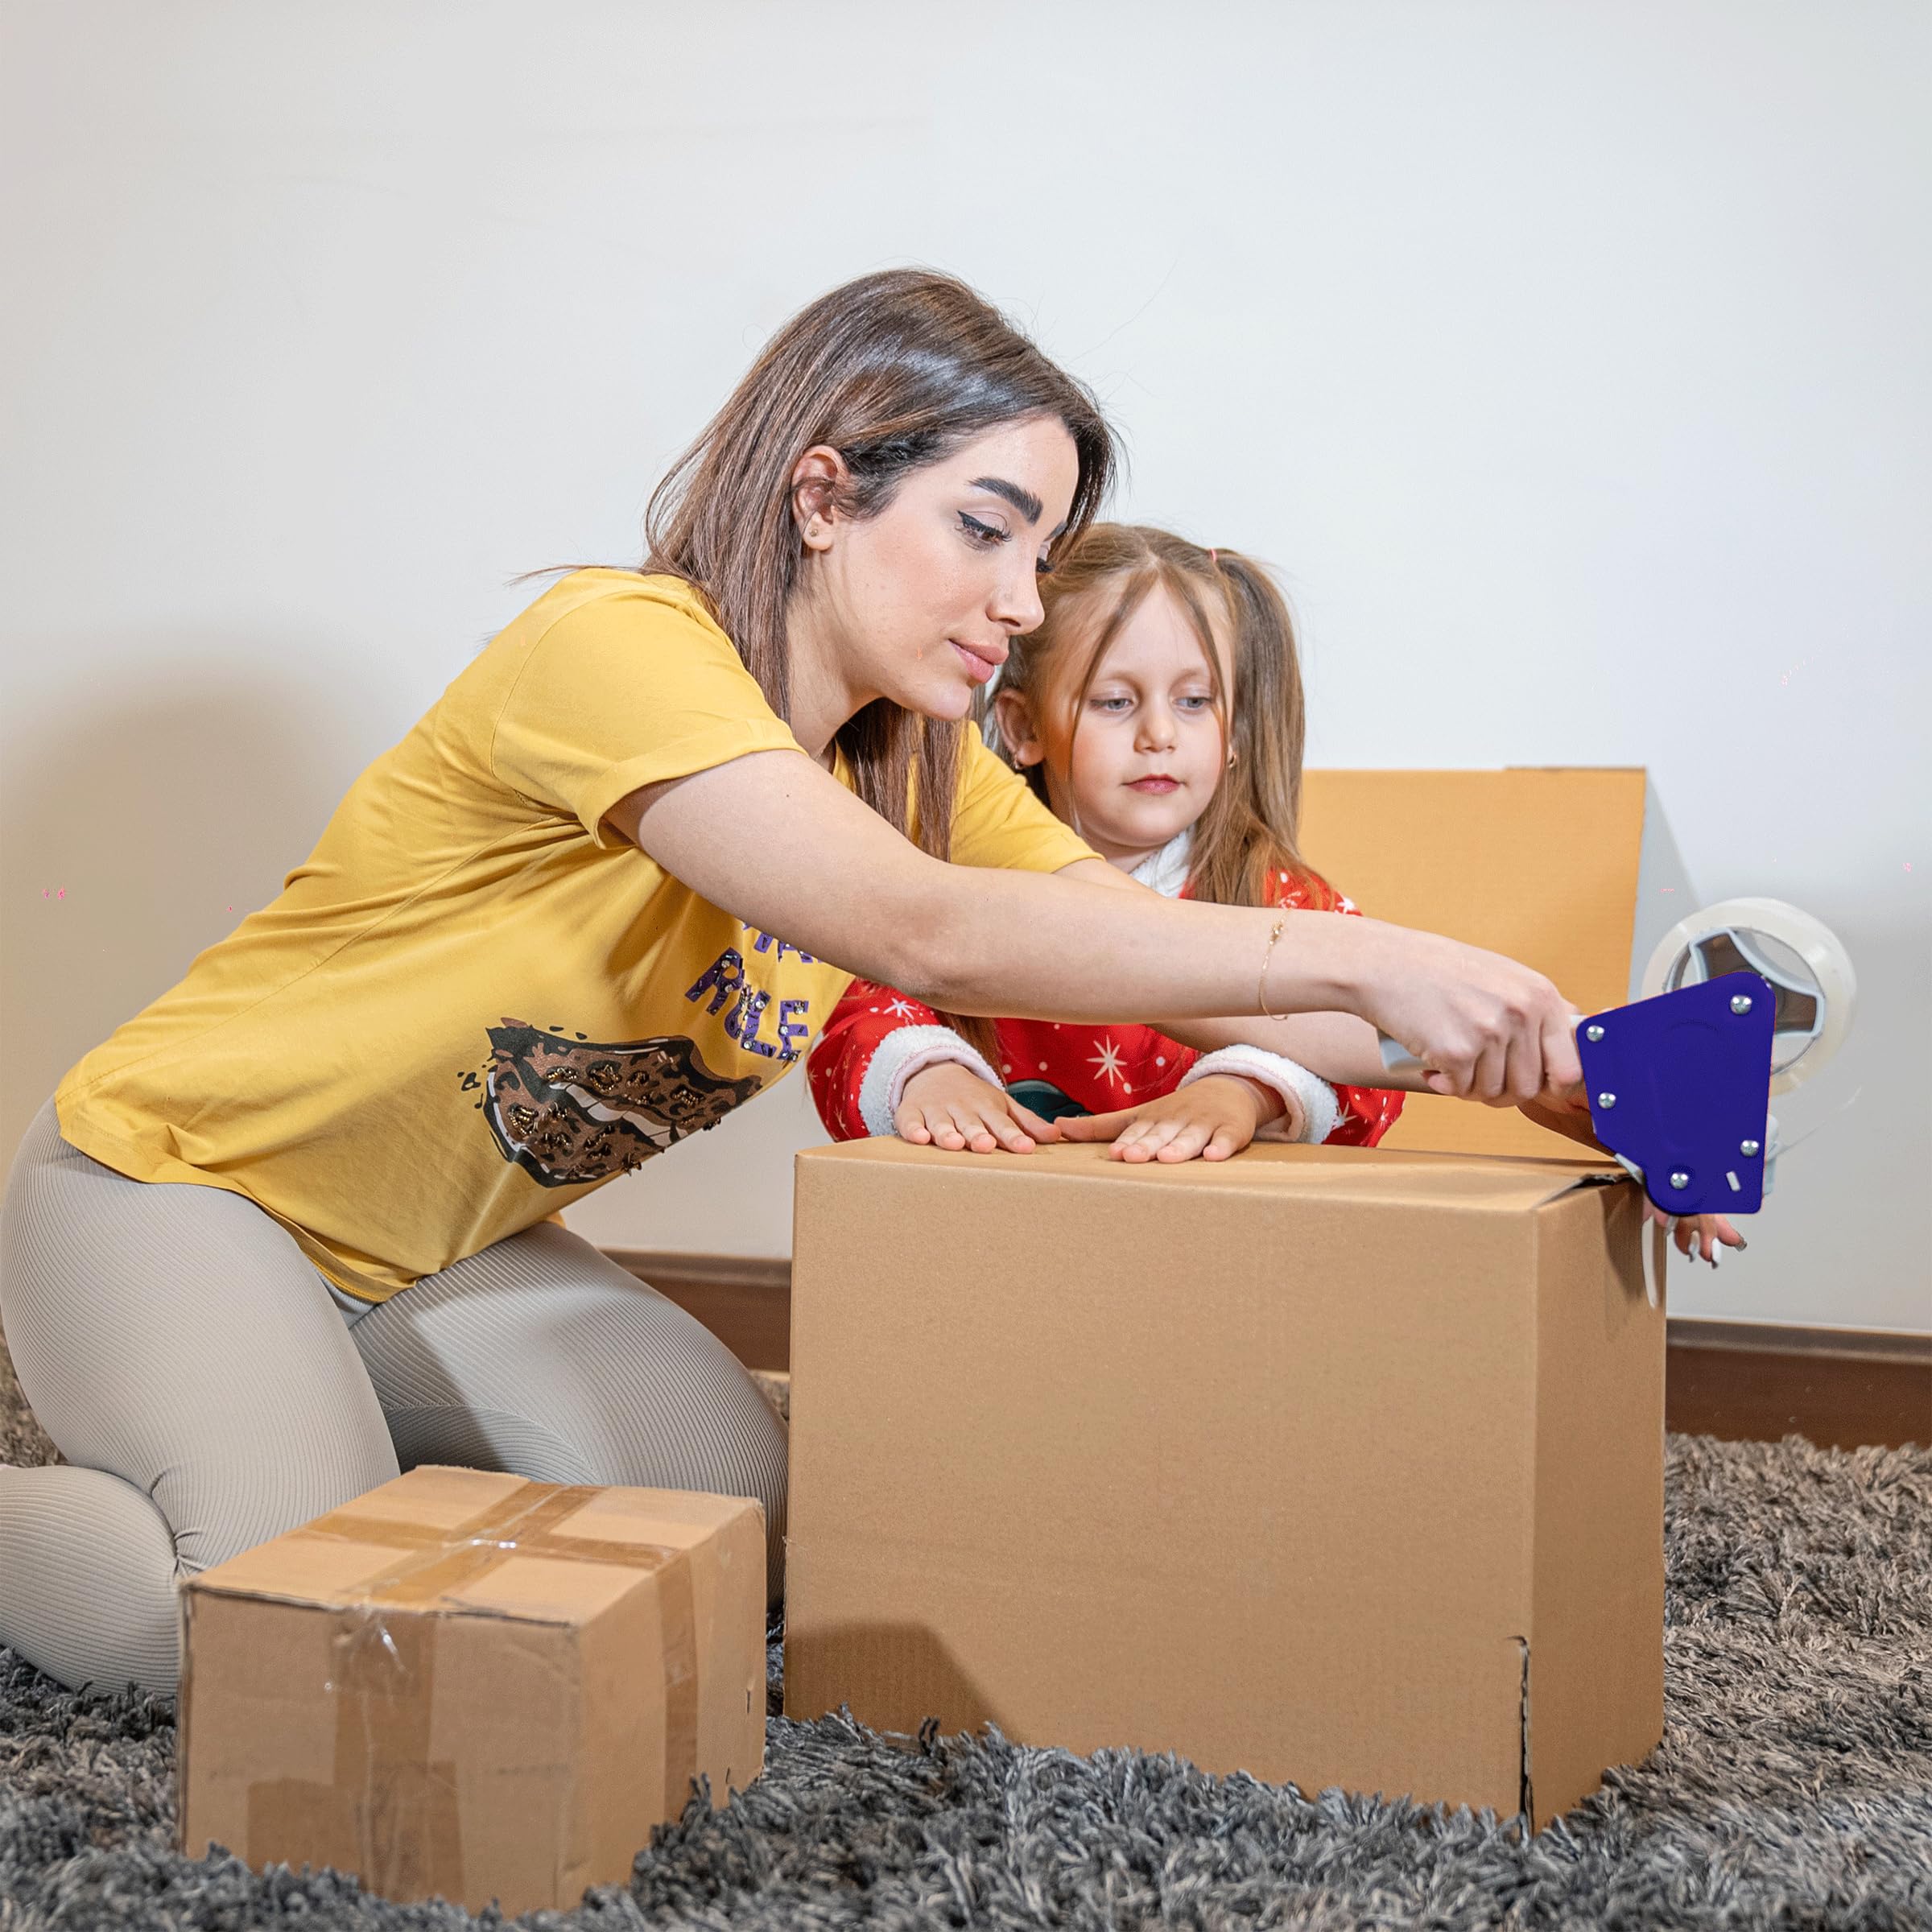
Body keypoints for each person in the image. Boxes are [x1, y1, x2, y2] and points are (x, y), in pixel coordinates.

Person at [0, 270, 1583, 1697]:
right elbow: (928, 934)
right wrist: (1383, 952)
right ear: (822, 496)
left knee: (742, 1516)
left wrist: (1562, 1062)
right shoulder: (615, 647)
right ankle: (224, 1471)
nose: (1025, 602)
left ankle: (294, 1430)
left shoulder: (912, 768)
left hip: (429, 1257)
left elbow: (1195, 979)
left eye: (1039, 550)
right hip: (175, 1193)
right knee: (258, 1632)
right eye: (985, 527)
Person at [810, 523, 1409, 1159]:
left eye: (1195, 701)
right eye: (1116, 702)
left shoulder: (1284, 901)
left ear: (1234, 731)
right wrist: (929, 1072)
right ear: (1022, 727)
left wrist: (1247, 1092)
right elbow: (850, 1008)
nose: (1159, 733)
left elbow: (1376, 1063)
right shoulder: (961, 885)